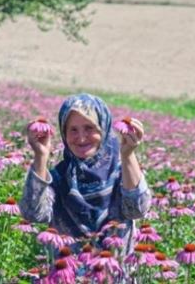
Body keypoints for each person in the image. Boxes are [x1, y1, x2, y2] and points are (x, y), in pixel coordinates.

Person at [19, 93, 151, 268]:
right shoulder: (58, 178)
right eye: (73, 130)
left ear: (103, 129)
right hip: (67, 276)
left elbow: (137, 209)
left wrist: (127, 155)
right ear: (64, 134)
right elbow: (33, 214)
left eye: (89, 128)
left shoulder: (122, 172)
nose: (81, 138)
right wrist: (41, 156)